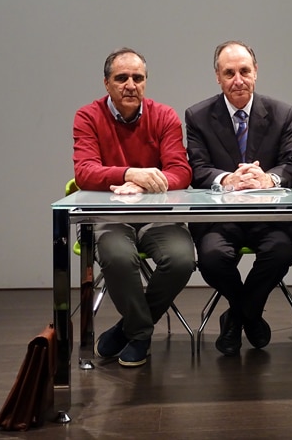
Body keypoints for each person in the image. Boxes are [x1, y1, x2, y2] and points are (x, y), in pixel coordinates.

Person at [72, 47, 196, 367]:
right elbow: (84, 172)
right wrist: (128, 173)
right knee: (117, 256)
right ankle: (140, 333)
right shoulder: (88, 116)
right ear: (106, 83)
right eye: (121, 77)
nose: (130, 84)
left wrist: (140, 184)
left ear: (146, 82)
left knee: (182, 259)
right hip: (113, 215)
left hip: (157, 214)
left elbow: (181, 172)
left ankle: (128, 328)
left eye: (138, 78)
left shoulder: (164, 116)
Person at [185, 40, 292, 357]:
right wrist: (227, 179)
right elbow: (196, 169)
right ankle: (249, 315)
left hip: (269, 217)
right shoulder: (197, 116)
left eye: (244, 71)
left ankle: (236, 316)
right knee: (211, 258)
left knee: (281, 251)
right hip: (219, 218)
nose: (238, 80)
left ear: (256, 72)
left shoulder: (281, 113)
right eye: (229, 73)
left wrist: (269, 178)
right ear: (218, 77)